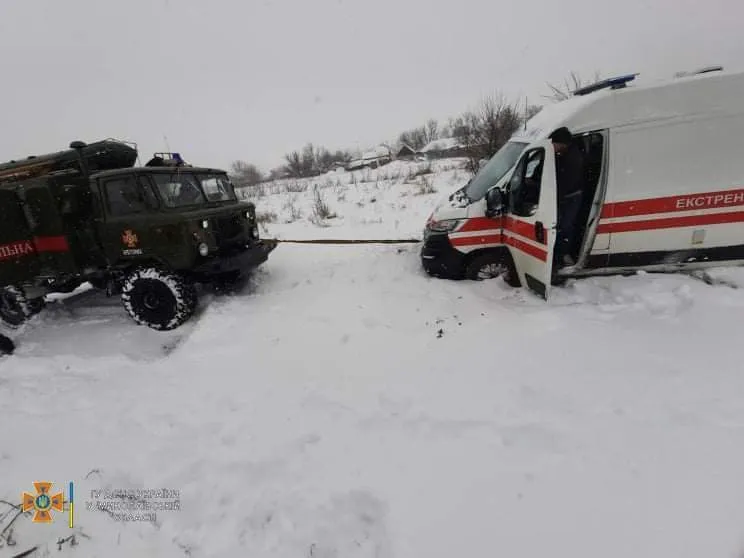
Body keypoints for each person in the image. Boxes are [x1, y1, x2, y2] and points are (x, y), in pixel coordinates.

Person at [549, 127, 585, 266]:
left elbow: (565, 183)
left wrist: (551, 198)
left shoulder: (573, 159)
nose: (553, 147)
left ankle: (562, 256)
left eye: (554, 144)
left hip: (572, 197)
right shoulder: (564, 154)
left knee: (565, 226)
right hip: (568, 195)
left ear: (562, 143)